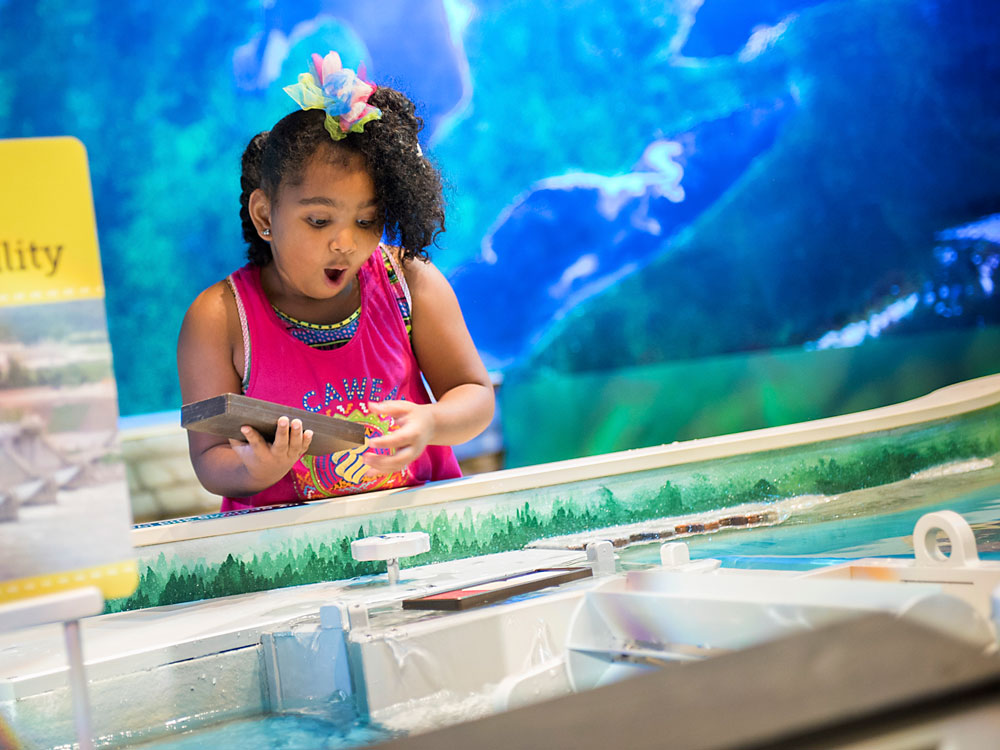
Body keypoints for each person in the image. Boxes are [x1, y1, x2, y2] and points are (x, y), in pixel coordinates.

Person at [177, 52, 494, 511]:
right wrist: (255, 469)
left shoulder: (409, 282)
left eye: (367, 221)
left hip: (421, 540)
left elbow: (476, 395)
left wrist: (433, 421)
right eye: (320, 220)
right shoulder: (219, 318)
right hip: (288, 564)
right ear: (266, 214)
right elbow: (209, 459)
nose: (345, 242)